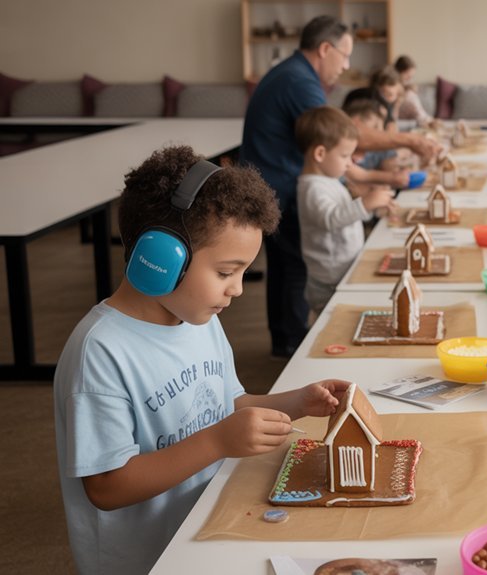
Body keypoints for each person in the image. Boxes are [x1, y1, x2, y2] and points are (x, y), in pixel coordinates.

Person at [54, 145, 352, 575]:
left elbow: (225, 406)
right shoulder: (100, 352)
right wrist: (217, 442)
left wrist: (297, 402)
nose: (238, 290)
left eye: (243, 274)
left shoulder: (197, 318)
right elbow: (105, 486)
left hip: (202, 528)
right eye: (225, 272)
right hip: (147, 561)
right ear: (158, 261)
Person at [240, 16, 439, 357]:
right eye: (345, 56)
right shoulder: (300, 81)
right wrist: (410, 140)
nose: (346, 66)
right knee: (293, 270)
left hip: (275, 182)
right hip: (278, 187)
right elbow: (339, 136)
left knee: (290, 268)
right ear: (325, 49)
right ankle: (291, 347)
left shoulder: (294, 73)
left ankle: (289, 341)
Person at [296, 106, 395, 316]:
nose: (351, 163)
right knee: (334, 323)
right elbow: (331, 219)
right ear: (320, 154)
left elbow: (348, 217)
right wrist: (365, 203)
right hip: (329, 279)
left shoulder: (328, 181)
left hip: (343, 270)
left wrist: (370, 204)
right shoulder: (312, 188)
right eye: (345, 156)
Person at [394, 55, 433, 126]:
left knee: (411, 94)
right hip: (398, 112)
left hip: (409, 112)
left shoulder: (404, 84)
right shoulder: (393, 84)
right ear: (398, 71)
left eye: (411, 77)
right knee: (410, 95)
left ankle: (426, 120)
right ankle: (427, 120)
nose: (409, 79)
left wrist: (408, 87)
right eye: (407, 75)